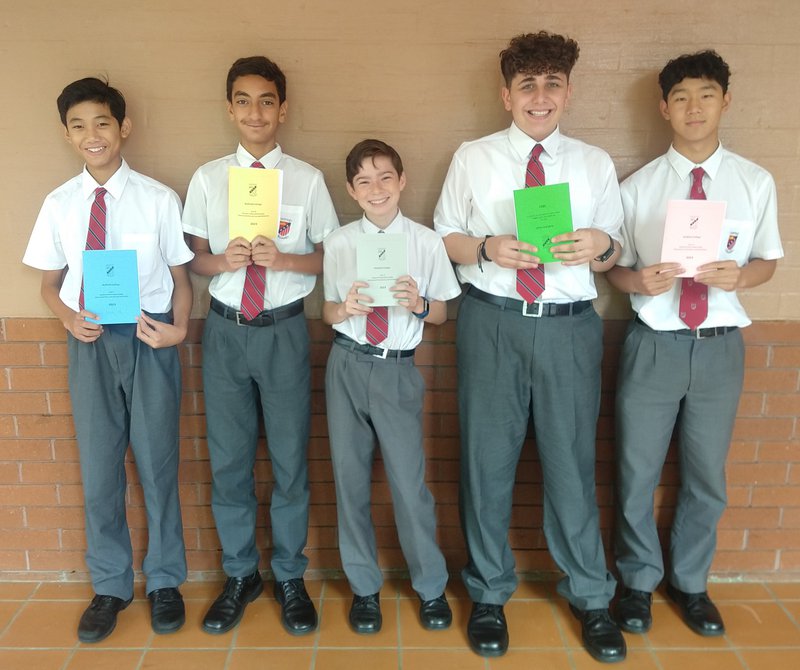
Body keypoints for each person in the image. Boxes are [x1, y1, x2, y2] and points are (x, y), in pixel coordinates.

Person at [434, 31, 626, 663]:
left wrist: (600, 244)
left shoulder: (594, 163)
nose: (539, 97)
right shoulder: (473, 157)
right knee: (486, 461)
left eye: (551, 84)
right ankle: (489, 592)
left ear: (568, 91)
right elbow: (444, 236)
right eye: (527, 85)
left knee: (572, 462)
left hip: (569, 325)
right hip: (493, 322)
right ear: (506, 95)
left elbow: (616, 250)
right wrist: (486, 248)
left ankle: (591, 595)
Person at [609, 50, 783, 638]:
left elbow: (768, 260)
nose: (694, 108)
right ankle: (636, 583)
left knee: (706, 473)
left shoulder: (754, 182)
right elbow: (615, 270)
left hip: (719, 347)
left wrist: (742, 277)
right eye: (680, 97)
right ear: (664, 108)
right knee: (636, 470)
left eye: (706, 95)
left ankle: (690, 583)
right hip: (654, 343)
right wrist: (639, 281)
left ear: (725, 101)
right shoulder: (637, 188)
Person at [22, 77, 192, 642]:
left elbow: (181, 278)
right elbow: (49, 284)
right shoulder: (59, 204)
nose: (91, 135)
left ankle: (165, 580)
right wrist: (68, 318)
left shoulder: (158, 198)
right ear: (67, 134)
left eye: (101, 122)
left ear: (123, 127)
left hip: (149, 339)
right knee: (99, 468)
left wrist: (178, 331)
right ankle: (111, 586)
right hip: (90, 342)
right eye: (78, 126)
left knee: (158, 463)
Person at [182, 55, 338, 635]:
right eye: (243, 101)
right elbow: (192, 258)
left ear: (283, 109)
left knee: (291, 458)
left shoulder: (307, 179)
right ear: (229, 109)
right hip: (225, 331)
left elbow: (329, 255)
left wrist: (286, 260)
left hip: (284, 331)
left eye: (266, 101)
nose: (255, 112)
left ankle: (290, 575)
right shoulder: (207, 178)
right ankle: (240, 573)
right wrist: (222, 261)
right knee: (229, 459)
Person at [322, 139, 460, 635]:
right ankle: (364, 587)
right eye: (364, 181)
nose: (376, 188)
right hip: (347, 363)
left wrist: (419, 304)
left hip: (398, 369)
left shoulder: (426, 242)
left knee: (408, 484)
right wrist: (344, 308)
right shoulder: (339, 243)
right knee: (349, 480)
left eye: (385, 177)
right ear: (351, 190)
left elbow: (441, 313)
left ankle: (430, 586)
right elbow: (327, 311)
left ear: (402, 181)